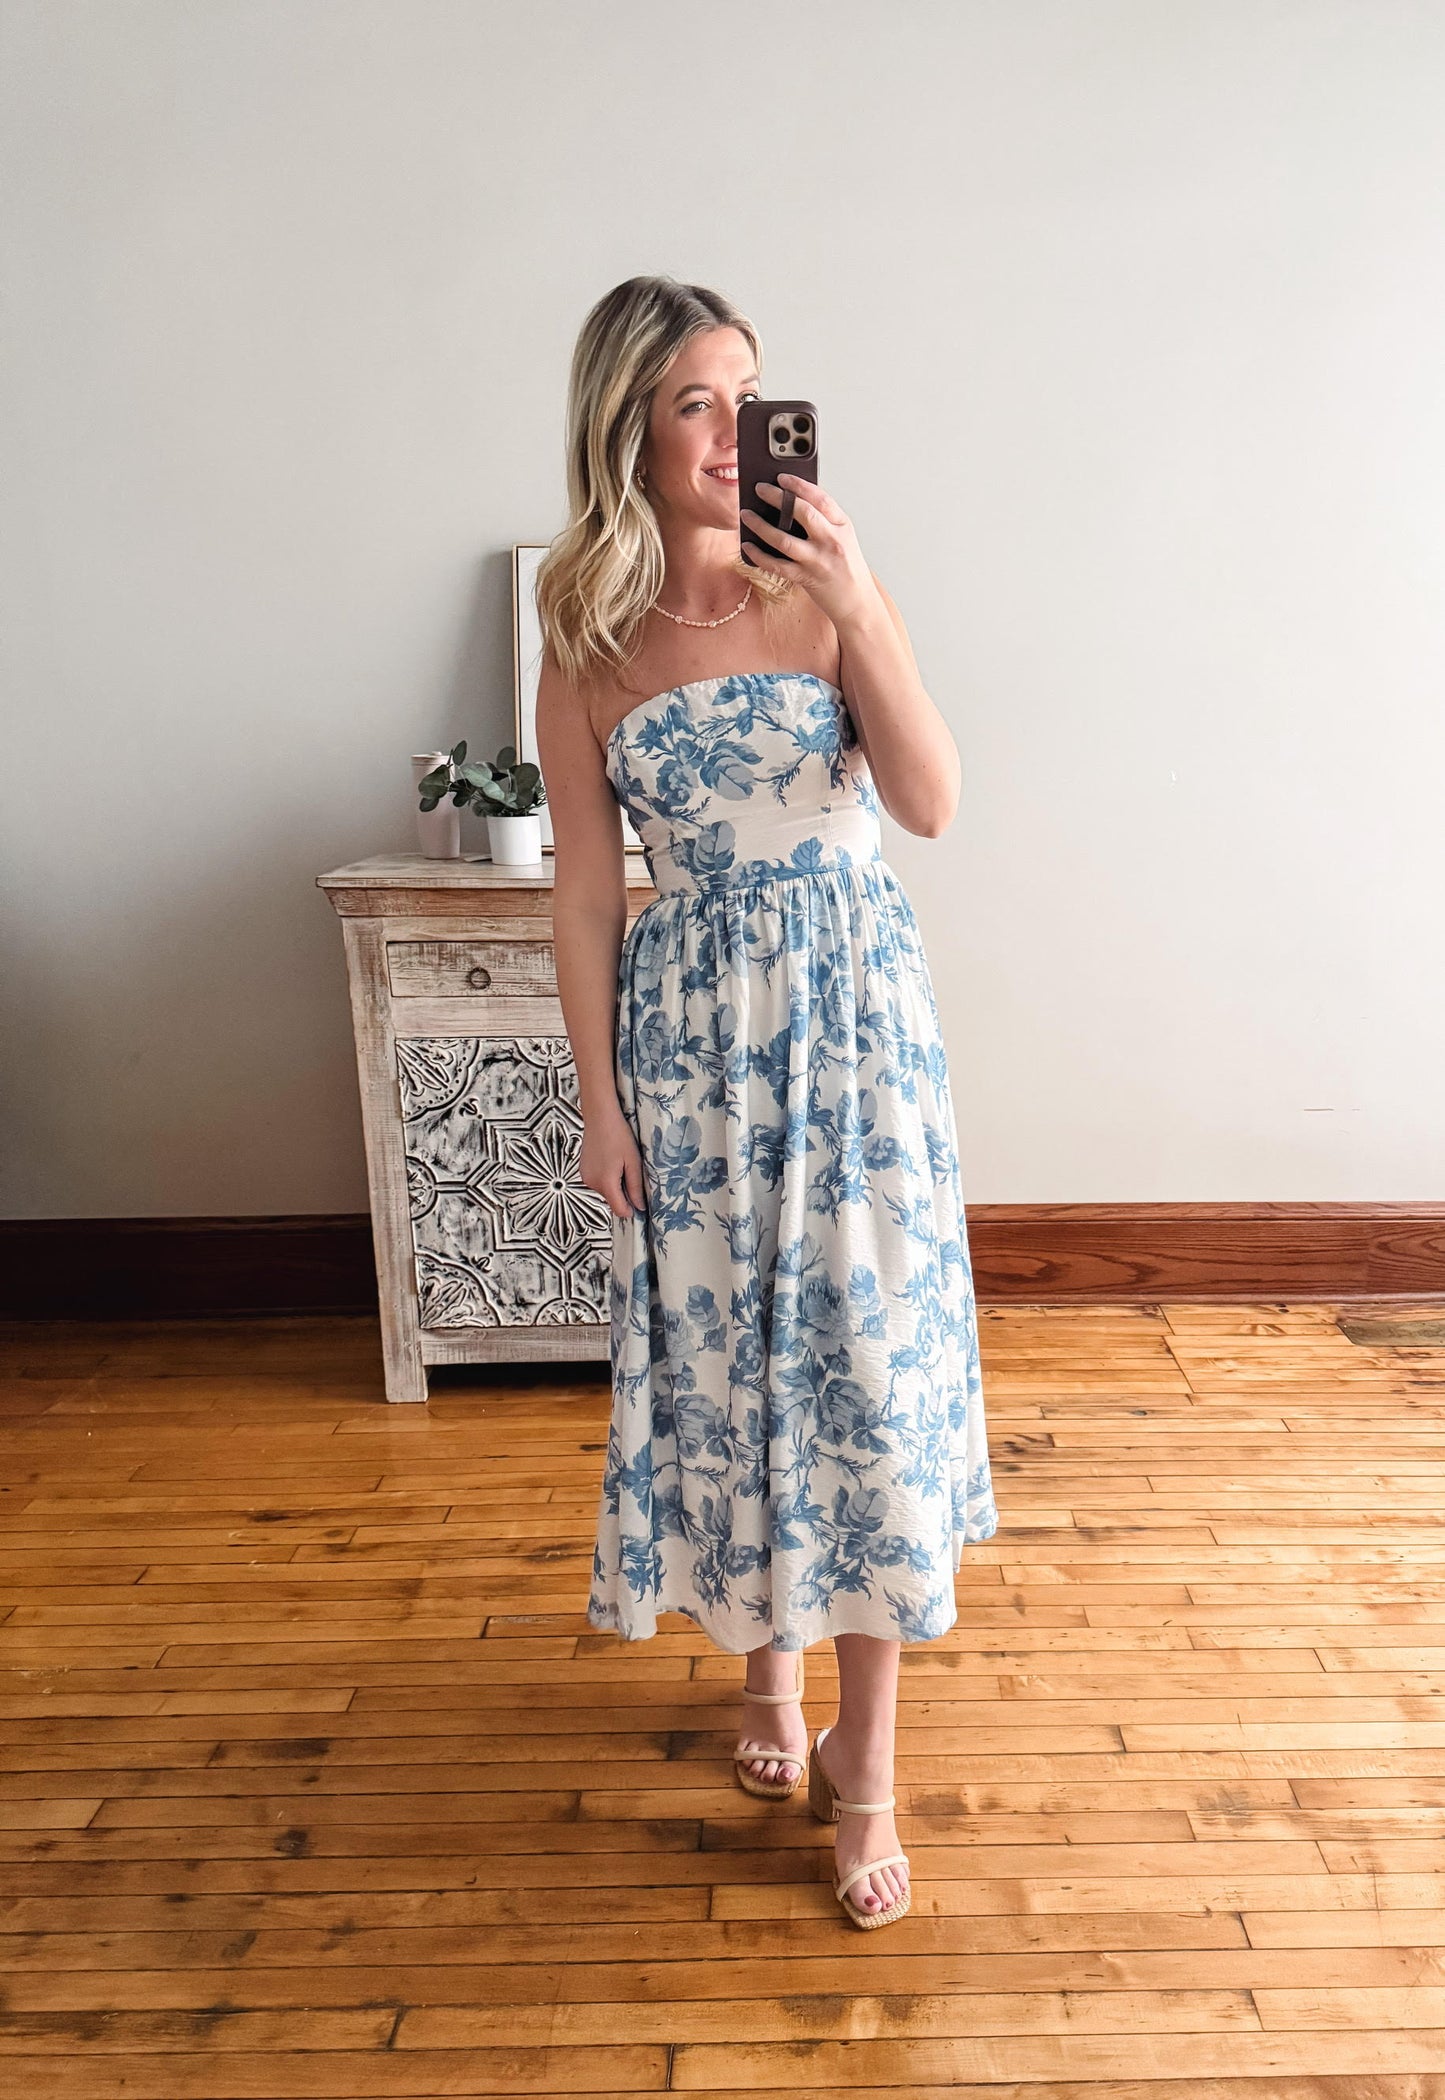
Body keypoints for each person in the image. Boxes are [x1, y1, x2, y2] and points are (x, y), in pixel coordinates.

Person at [535, 275, 998, 1929]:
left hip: (857, 1032)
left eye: (747, 395)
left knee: (863, 1378)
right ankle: (763, 1682)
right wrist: (597, 1104)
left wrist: (865, 609)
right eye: (692, 406)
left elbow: (931, 803)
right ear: (626, 435)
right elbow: (586, 896)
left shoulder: (825, 595)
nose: (733, 433)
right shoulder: (584, 641)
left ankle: (863, 1769)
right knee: (738, 1377)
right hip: (691, 1055)